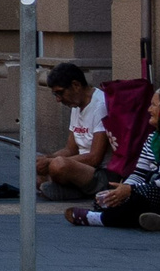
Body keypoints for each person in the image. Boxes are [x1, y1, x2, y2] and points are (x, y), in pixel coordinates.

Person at [68, 87, 160, 231]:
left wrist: (131, 190)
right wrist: (120, 191)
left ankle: (100, 219)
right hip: (159, 193)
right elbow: (139, 173)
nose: (149, 110)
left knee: (140, 196)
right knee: (109, 198)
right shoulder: (154, 137)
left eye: (153, 105)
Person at [35, 62, 113, 197]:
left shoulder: (100, 105)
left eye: (60, 93)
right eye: (55, 95)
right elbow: (71, 149)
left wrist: (52, 162)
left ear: (76, 85)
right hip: (80, 167)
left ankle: (77, 191)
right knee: (41, 173)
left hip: (100, 172)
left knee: (58, 166)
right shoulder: (76, 106)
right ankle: (73, 190)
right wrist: (47, 159)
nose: (58, 99)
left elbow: (95, 158)